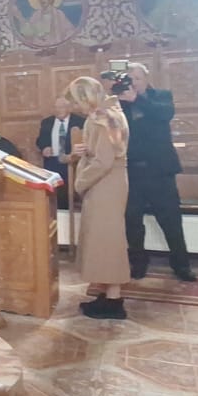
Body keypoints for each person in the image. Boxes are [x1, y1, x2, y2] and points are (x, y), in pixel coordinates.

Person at [119, 63, 195, 282]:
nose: (134, 83)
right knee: (132, 221)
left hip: (160, 171)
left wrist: (136, 99)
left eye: (137, 78)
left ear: (146, 79)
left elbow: (163, 115)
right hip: (132, 171)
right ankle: (138, 264)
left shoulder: (161, 96)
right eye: (130, 79)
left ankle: (181, 265)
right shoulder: (119, 103)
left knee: (171, 220)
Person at [67, 76, 130, 320]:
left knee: (109, 240)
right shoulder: (108, 113)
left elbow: (103, 161)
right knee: (103, 239)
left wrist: (80, 182)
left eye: (77, 101)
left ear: (87, 97)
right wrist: (84, 151)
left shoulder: (103, 118)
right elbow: (102, 152)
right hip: (109, 182)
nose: (76, 107)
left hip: (106, 183)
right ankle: (107, 294)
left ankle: (114, 301)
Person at [36, 96, 81, 210]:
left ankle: (68, 213)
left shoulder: (80, 121)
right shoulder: (47, 122)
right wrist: (44, 147)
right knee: (54, 194)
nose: (58, 110)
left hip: (71, 162)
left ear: (69, 108)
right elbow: (40, 140)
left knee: (69, 192)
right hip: (52, 162)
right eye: (56, 107)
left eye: (61, 107)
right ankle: (56, 214)